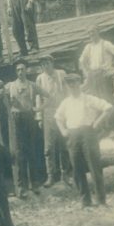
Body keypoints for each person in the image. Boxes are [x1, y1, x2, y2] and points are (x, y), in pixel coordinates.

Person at [55, 74, 113, 207]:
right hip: (73, 136)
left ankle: (101, 200)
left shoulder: (88, 99)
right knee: (77, 169)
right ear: (67, 86)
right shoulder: (66, 102)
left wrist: (97, 122)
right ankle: (85, 201)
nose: (72, 86)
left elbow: (108, 107)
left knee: (94, 167)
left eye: (75, 82)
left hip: (88, 134)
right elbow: (58, 117)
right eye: (69, 84)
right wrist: (64, 131)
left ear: (79, 83)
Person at [2, 58, 48, 197]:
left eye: (22, 69)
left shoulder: (32, 85)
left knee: (32, 151)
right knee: (19, 154)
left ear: (26, 70)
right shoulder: (10, 86)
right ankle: (22, 188)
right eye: (18, 70)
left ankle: (35, 184)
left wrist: (38, 108)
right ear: (15, 72)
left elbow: (48, 96)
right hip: (16, 120)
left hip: (29, 118)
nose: (20, 72)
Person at [35, 55, 70, 187]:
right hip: (48, 114)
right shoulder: (40, 78)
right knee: (49, 147)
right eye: (43, 64)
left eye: (48, 63)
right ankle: (51, 175)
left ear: (52, 63)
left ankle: (65, 174)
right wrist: (39, 116)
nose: (46, 66)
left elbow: (68, 93)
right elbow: (38, 98)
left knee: (64, 145)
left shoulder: (61, 74)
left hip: (62, 112)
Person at [79, 25, 114, 103]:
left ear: (98, 32)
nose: (91, 34)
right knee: (95, 100)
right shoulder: (88, 47)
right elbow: (81, 61)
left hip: (104, 76)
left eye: (93, 31)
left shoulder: (106, 44)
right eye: (89, 32)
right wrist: (87, 73)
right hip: (93, 77)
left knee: (107, 99)